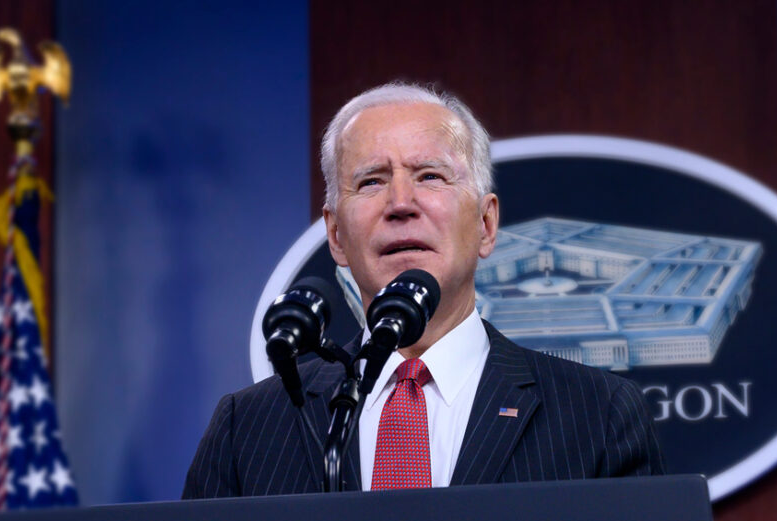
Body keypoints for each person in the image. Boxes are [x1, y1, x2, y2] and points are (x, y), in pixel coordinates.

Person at [182, 83, 664, 499]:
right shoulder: (246, 430)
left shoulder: (597, 416)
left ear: (486, 224)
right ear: (335, 235)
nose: (400, 203)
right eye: (371, 181)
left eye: (429, 176)